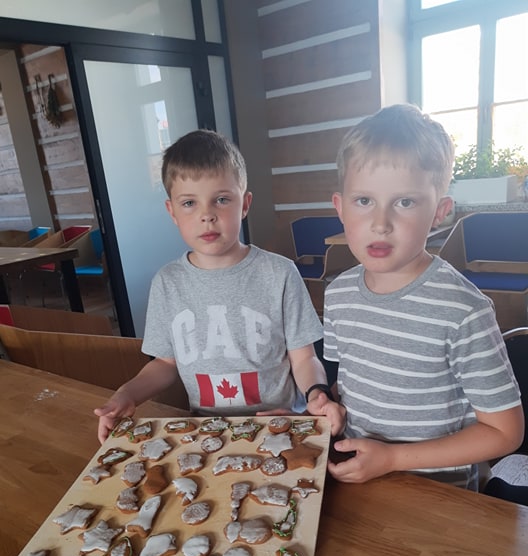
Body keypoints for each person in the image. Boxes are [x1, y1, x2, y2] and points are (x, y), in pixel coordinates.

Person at [318, 104, 524, 490]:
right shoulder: (339, 294)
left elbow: (505, 432)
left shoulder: (463, 310)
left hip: (437, 496)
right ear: (340, 208)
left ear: (439, 212)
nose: (381, 223)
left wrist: (393, 458)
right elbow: (354, 382)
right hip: (359, 480)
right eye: (364, 201)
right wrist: (329, 404)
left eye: (405, 202)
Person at [95, 129, 344, 443]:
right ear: (172, 211)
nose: (207, 215)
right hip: (207, 433)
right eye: (189, 203)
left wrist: (317, 393)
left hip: (280, 425)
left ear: (245, 204)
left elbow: (304, 358)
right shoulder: (167, 283)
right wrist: (126, 393)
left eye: (222, 200)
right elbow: (165, 364)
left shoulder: (280, 273)